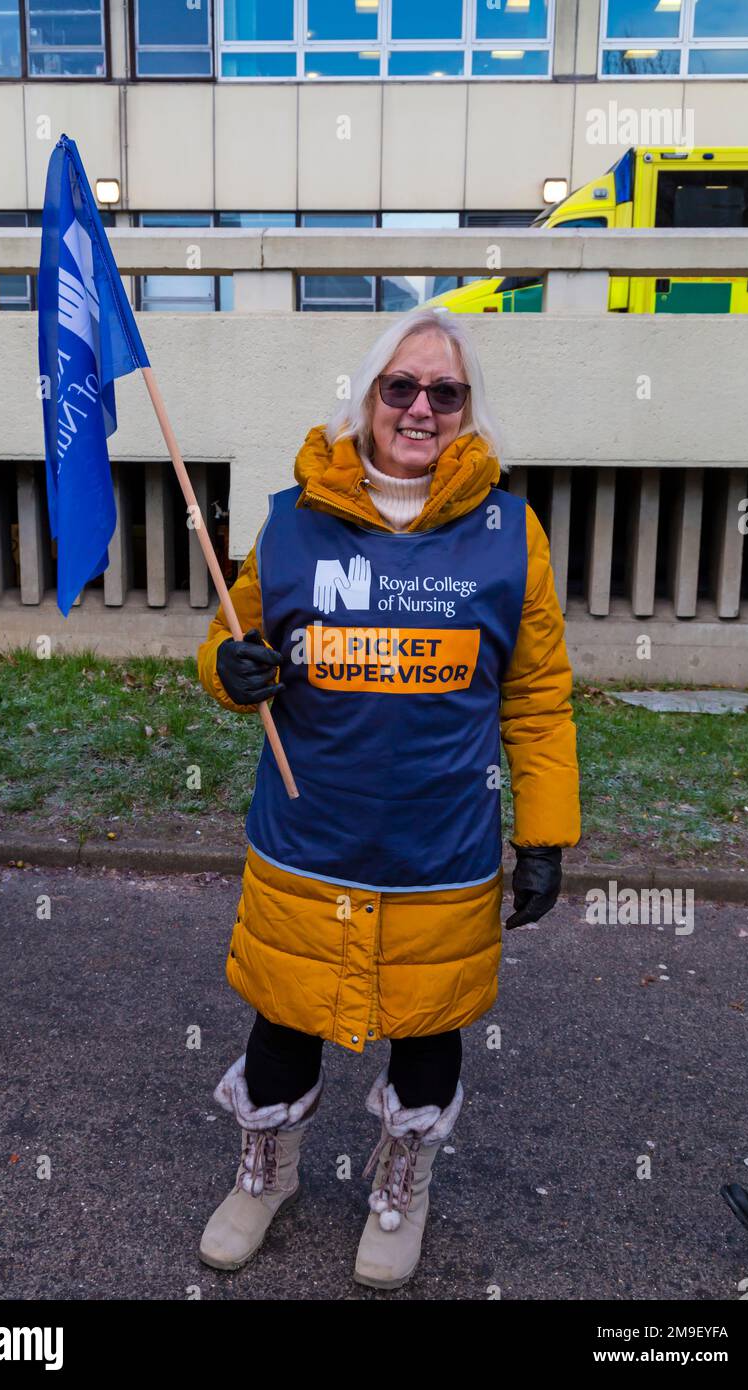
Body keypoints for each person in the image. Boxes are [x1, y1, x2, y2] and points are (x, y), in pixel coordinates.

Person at [195, 306, 580, 1289]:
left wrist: (542, 835)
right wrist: (226, 668)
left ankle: (399, 1186)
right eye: (398, 388)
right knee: (284, 1015)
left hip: (437, 846)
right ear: (366, 398)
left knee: (426, 1020)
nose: (419, 408)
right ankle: (263, 1176)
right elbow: (232, 631)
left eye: (442, 392)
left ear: (466, 409)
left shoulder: (508, 532)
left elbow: (535, 697)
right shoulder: (293, 518)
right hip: (305, 837)